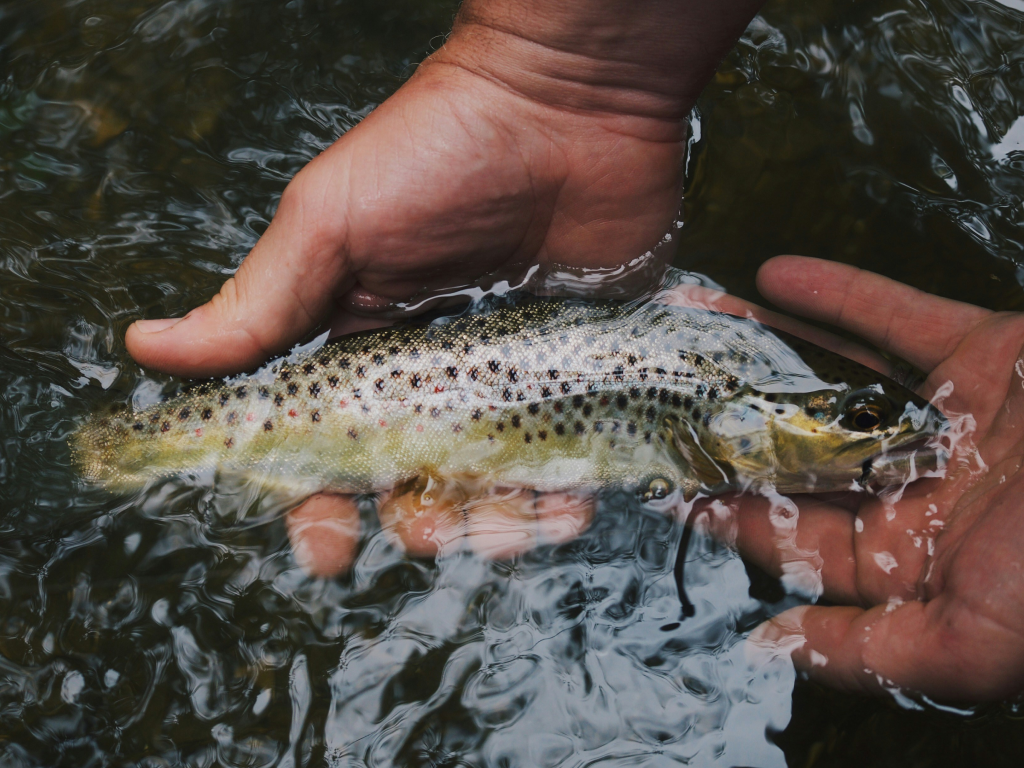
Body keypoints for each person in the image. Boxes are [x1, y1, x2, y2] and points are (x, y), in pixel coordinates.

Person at [122, 1, 1024, 702]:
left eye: (866, 423)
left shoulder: (716, 390)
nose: (889, 432)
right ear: (739, 421)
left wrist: (555, 74)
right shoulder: (713, 403)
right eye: (860, 421)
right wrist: (547, 79)